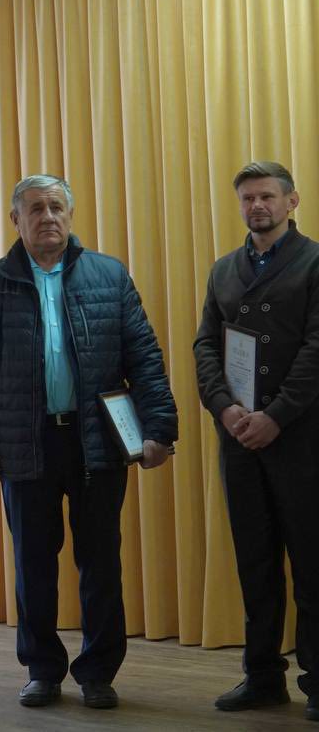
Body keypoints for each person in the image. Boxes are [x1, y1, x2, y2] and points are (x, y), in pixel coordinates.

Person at [0, 174, 177, 710]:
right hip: (24, 445)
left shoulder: (109, 275)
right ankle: (42, 670)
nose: (47, 217)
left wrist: (160, 429)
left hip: (96, 441)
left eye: (56, 207)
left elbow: (144, 357)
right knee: (33, 565)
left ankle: (98, 672)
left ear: (70, 215)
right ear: (16, 221)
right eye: (35, 209)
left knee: (101, 563)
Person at [193, 161, 319, 722]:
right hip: (240, 438)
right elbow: (204, 346)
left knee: (312, 564)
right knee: (255, 562)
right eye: (247, 198)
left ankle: (318, 681)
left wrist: (277, 415)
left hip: (302, 437)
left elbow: (317, 350)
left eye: (267, 196)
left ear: (292, 201)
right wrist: (225, 407)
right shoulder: (224, 269)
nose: (257, 206)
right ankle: (263, 677)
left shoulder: (314, 262)